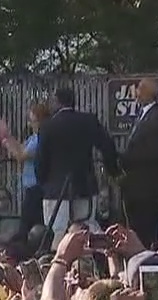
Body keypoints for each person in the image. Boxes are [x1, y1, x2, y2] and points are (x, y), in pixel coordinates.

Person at [34, 87, 119, 252]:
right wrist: (113, 170)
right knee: (84, 230)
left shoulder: (48, 126)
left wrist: (43, 183)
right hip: (84, 185)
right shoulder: (88, 121)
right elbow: (107, 146)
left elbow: (40, 160)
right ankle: (88, 266)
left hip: (55, 187)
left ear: (57, 102)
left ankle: (58, 266)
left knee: (57, 232)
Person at [118, 78, 158, 249]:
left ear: (147, 92)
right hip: (136, 185)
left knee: (146, 228)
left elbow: (152, 152)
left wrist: (126, 159)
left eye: (139, 88)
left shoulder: (156, 118)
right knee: (136, 225)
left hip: (147, 186)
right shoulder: (143, 114)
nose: (135, 92)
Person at [0, 102, 50, 251]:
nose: (31, 124)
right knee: (29, 224)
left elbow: (21, 155)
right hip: (30, 186)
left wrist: (5, 141)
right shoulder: (33, 138)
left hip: (37, 187)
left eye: (33, 121)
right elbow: (20, 148)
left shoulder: (41, 139)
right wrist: (8, 136)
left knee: (26, 226)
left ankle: (23, 253)